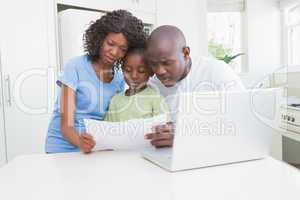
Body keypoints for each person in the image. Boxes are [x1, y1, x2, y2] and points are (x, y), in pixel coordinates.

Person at [45, 10, 147, 154]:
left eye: (122, 49)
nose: (114, 52)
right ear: (100, 38)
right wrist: (81, 142)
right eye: (110, 44)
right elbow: (66, 126)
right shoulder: (75, 66)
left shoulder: (119, 78)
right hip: (62, 148)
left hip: (93, 148)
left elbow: (111, 120)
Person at [144, 25, 245, 148]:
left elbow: (243, 121)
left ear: (186, 53)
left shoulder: (217, 72)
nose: (159, 71)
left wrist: (184, 136)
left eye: (166, 63)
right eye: (153, 64)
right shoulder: (153, 86)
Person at [104, 45, 169, 122]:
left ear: (151, 72)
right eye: (128, 70)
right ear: (122, 70)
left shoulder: (156, 99)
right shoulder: (115, 100)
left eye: (141, 71)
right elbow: (108, 128)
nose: (134, 76)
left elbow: (165, 126)